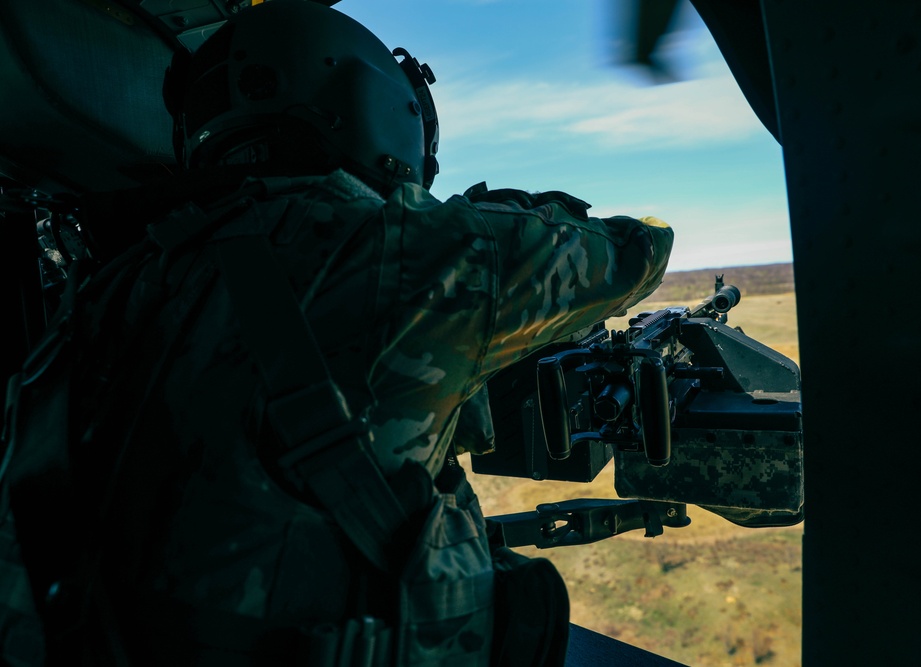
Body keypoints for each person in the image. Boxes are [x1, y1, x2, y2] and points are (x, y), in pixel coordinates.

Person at [0, 1, 673, 665]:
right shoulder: (406, 251)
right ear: (373, 102)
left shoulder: (111, 286)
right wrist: (506, 213)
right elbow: (639, 250)